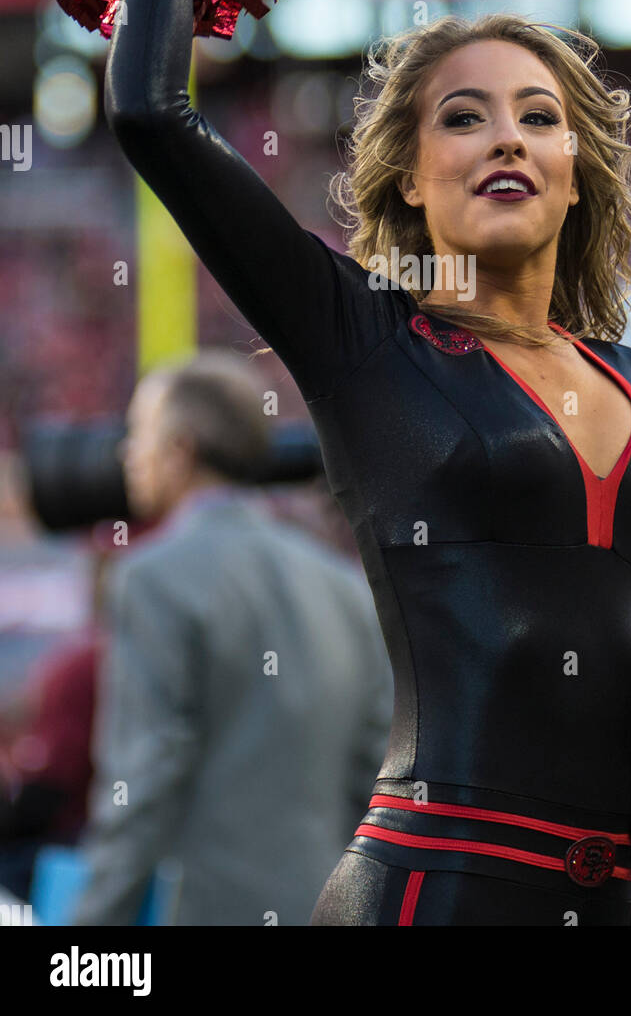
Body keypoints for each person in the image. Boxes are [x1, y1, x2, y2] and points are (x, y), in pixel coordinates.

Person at [100, 0, 631, 926]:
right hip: (433, 886)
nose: (505, 139)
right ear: (414, 181)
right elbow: (152, 115)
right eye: (463, 117)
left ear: (575, 175)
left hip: (612, 903)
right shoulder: (368, 343)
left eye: (538, 116)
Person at [71, 349, 392, 925]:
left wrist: (85, 938)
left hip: (208, 910)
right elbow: (375, 772)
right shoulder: (346, 586)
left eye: (137, 433)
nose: (126, 453)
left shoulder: (151, 578)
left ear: (179, 451)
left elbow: (141, 783)